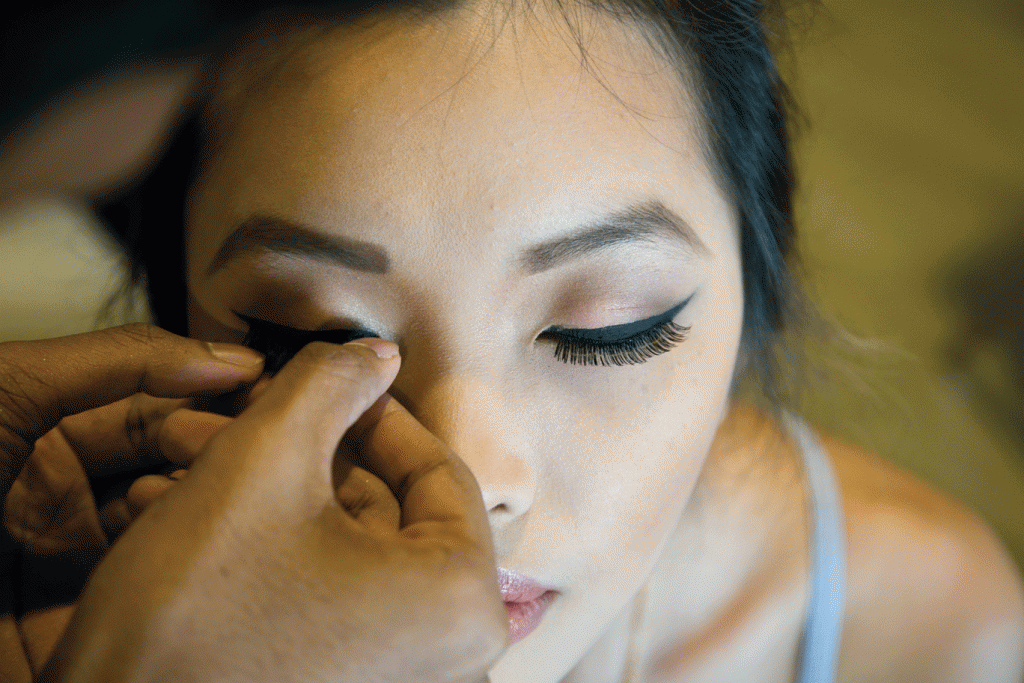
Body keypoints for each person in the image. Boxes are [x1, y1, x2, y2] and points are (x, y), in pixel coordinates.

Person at [2, 1, 1023, 682]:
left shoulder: (926, 624)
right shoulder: (75, 621)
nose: (463, 467)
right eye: (301, 335)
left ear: (752, 299)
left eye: (607, 329)